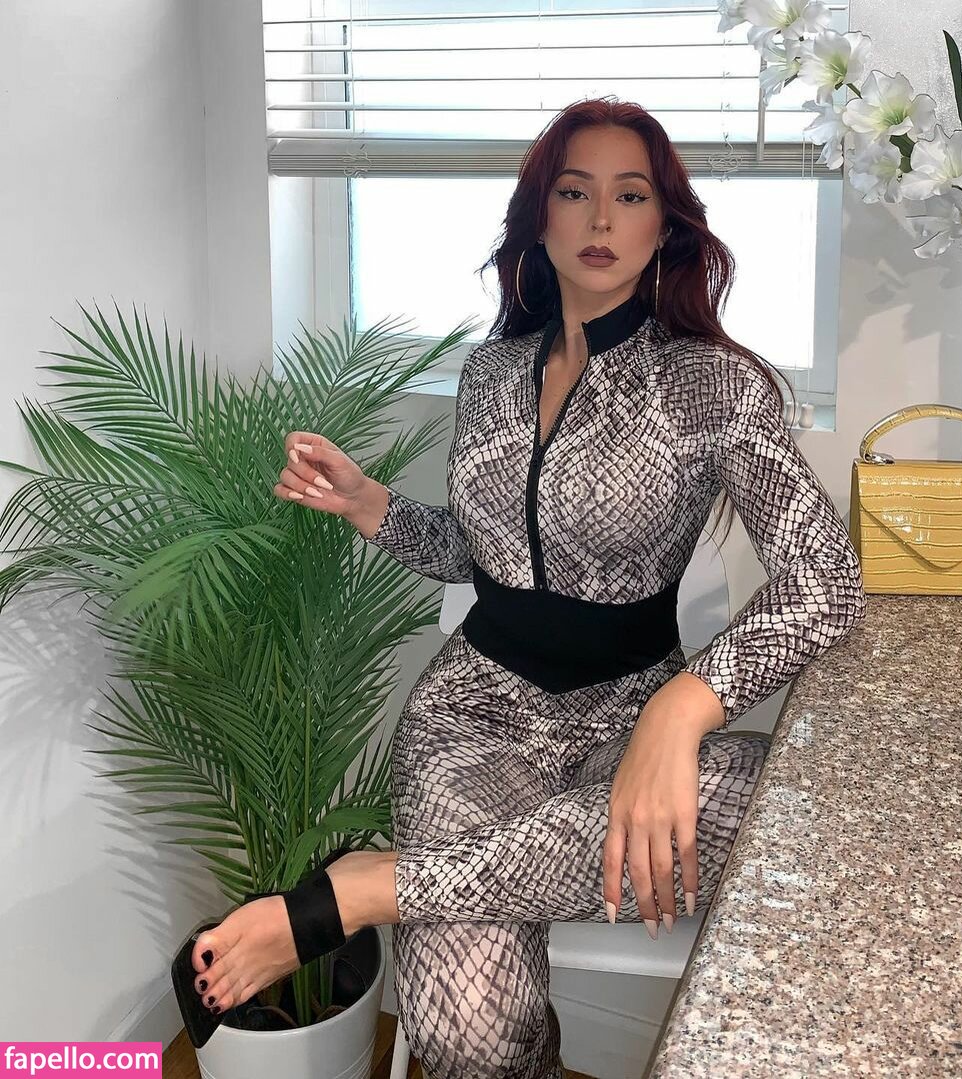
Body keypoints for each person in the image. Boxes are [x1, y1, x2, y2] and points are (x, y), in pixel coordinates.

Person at [185, 98, 867, 1078]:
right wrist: (369, 502)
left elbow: (827, 580)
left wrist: (682, 707)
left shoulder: (711, 387)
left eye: (630, 195)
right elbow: (479, 554)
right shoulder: (490, 374)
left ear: (665, 223)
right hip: (473, 721)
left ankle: (369, 889)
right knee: (466, 1033)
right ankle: (392, 890)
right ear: (539, 216)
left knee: (791, 810)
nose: (601, 219)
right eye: (575, 192)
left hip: (628, 717)